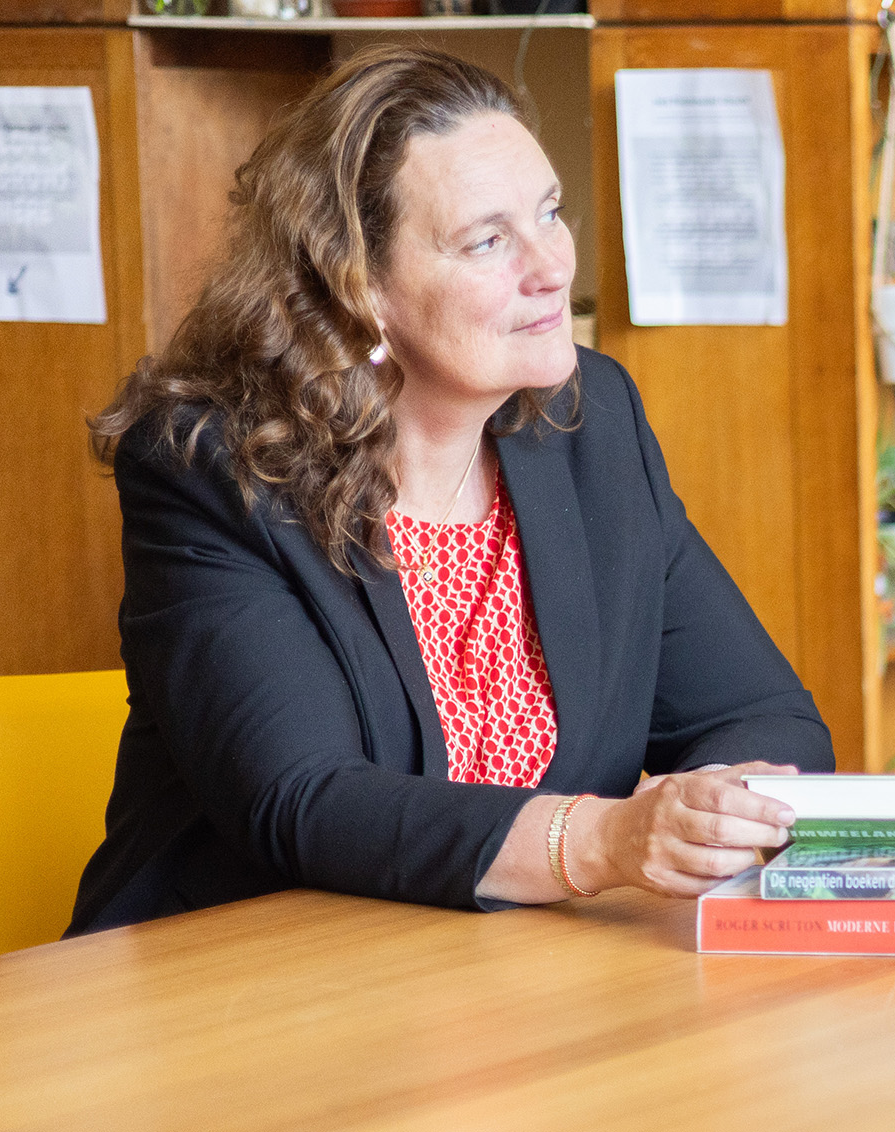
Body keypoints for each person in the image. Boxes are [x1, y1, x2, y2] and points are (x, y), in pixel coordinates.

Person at [71, 46, 831, 935]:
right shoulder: (211, 462)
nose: (549, 265)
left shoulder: (588, 421)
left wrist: (715, 807)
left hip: (502, 983)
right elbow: (301, 800)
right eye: (486, 241)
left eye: (548, 213)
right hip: (245, 987)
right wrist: (603, 841)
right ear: (358, 291)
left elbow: (763, 715)